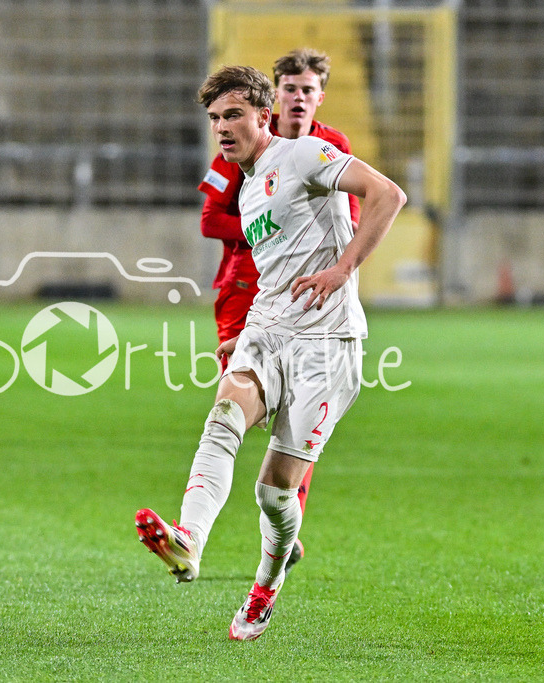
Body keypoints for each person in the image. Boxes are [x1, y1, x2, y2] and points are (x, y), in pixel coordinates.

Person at [136, 65, 406, 640]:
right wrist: (247, 334)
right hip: (266, 331)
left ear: (265, 115)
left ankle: (266, 583)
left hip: (328, 343)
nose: (221, 128)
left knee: (273, 491)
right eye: (214, 118)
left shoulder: (304, 155)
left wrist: (342, 269)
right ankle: (189, 540)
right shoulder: (247, 183)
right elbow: (278, 267)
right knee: (222, 417)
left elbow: (389, 194)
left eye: (233, 115)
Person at [196, 48, 362, 574]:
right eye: (290, 88)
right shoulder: (236, 156)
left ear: (319, 97)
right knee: (230, 410)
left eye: (307, 90)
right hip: (249, 291)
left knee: (292, 440)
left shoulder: (326, 148)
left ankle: (283, 532)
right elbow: (209, 220)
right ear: (277, 95)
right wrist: (269, 231)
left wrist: (340, 263)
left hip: (312, 305)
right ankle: (192, 535)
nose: (298, 98)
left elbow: (358, 209)